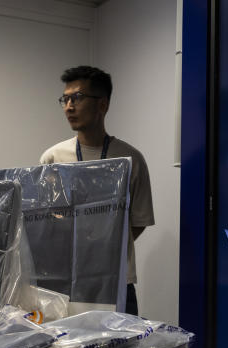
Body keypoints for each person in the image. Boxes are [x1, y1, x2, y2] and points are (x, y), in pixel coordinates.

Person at [40, 66, 155, 317]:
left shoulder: (131, 158)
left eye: (77, 98)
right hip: (66, 280)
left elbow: (139, 220)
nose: (69, 106)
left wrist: (106, 245)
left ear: (102, 104)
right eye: (65, 99)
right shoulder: (53, 158)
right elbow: (44, 220)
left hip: (116, 279)